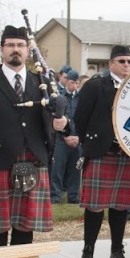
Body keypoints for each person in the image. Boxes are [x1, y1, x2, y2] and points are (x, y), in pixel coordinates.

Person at [0, 25, 65, 248]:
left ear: (28, 50)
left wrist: (62, 123)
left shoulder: (42, 84)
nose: (15, 50)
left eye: (20, 45)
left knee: (25, 225)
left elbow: (52, 120)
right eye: (10, 45)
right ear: (1, 50)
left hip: (33, 160)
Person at [74, 45, 130, 258]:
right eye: (121, 61)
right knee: (94, 206)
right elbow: (80, 118)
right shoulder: (94, 86)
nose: (126, 65)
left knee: (121, 206)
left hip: (127, 154)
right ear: (111, 63)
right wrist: (91, 144)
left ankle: (116, 253)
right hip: (101, 152)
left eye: (129, 62)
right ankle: (87, 253)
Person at [49, 69, 81, 204]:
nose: (74, 85)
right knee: (58, 168)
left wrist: (78, 137)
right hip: (62, 139)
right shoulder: (60, 97)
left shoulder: (81, 98)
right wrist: (65, 136)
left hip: (77, 139)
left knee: (75, 170)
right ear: (67, 81)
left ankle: (73, 196)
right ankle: (55, 196)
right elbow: (56, 119)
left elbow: (82, 118)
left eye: (76, 83)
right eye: (72, 82)